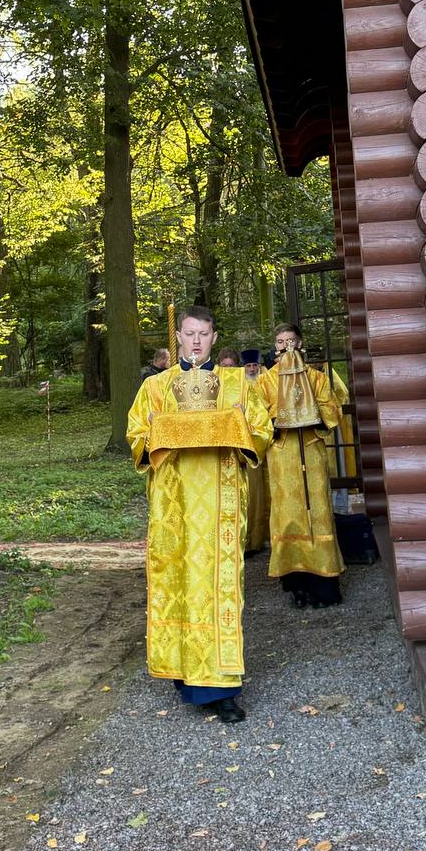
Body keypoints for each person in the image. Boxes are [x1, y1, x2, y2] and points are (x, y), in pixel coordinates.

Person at [127, 307, 272, 723]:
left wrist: (240, 430)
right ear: (177, 337)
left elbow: (262, 430)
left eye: (203, 334)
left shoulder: (237, 383)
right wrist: (153, 432)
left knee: (218, 589)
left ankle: (223, 690)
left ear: (213, 337)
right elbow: (136, 434)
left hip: (220, 506)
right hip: (173, 505)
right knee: (179, 582)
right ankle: (185, 675)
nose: (196, 341)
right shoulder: (156, 386)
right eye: (189, 333)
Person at [257, 323, 346, 609]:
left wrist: (310, 412)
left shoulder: (316, 378)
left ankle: (324, 585)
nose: (286, 346)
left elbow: (332, 409)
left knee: (317, 513)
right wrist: (279, 417)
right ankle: (295, 585)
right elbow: (257, 418)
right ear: (275, 346)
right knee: (288, 516)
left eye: (291, 340)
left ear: (300, 343)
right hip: (282, 456)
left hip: (311, 450)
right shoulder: (265, 381)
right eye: (280, 342)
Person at [241, 348, 271, 558]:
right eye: (248, 366)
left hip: (269, 440)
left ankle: (268, 536)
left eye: (254, 365)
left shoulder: (266, 382)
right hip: (249, 443)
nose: (252, 369)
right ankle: (251, 539)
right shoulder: (239, 386)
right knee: (253, 491)